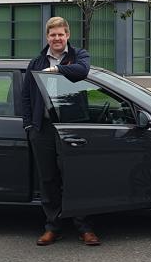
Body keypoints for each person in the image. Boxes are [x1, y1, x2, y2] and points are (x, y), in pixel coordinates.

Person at [19, 16, 100, 246]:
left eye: (60, 34)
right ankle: (53, 227)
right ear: (47, 37)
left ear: (67, 35)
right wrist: (29, 125)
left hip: (71, 127)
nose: (57, 38)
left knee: (76, 178)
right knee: (48, 179)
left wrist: (56, 69)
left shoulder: (79, 55)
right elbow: (26, 96)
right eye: (53, 35)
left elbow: (82, 71)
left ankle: (84, 227)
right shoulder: (36, 62)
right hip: (43, 129)